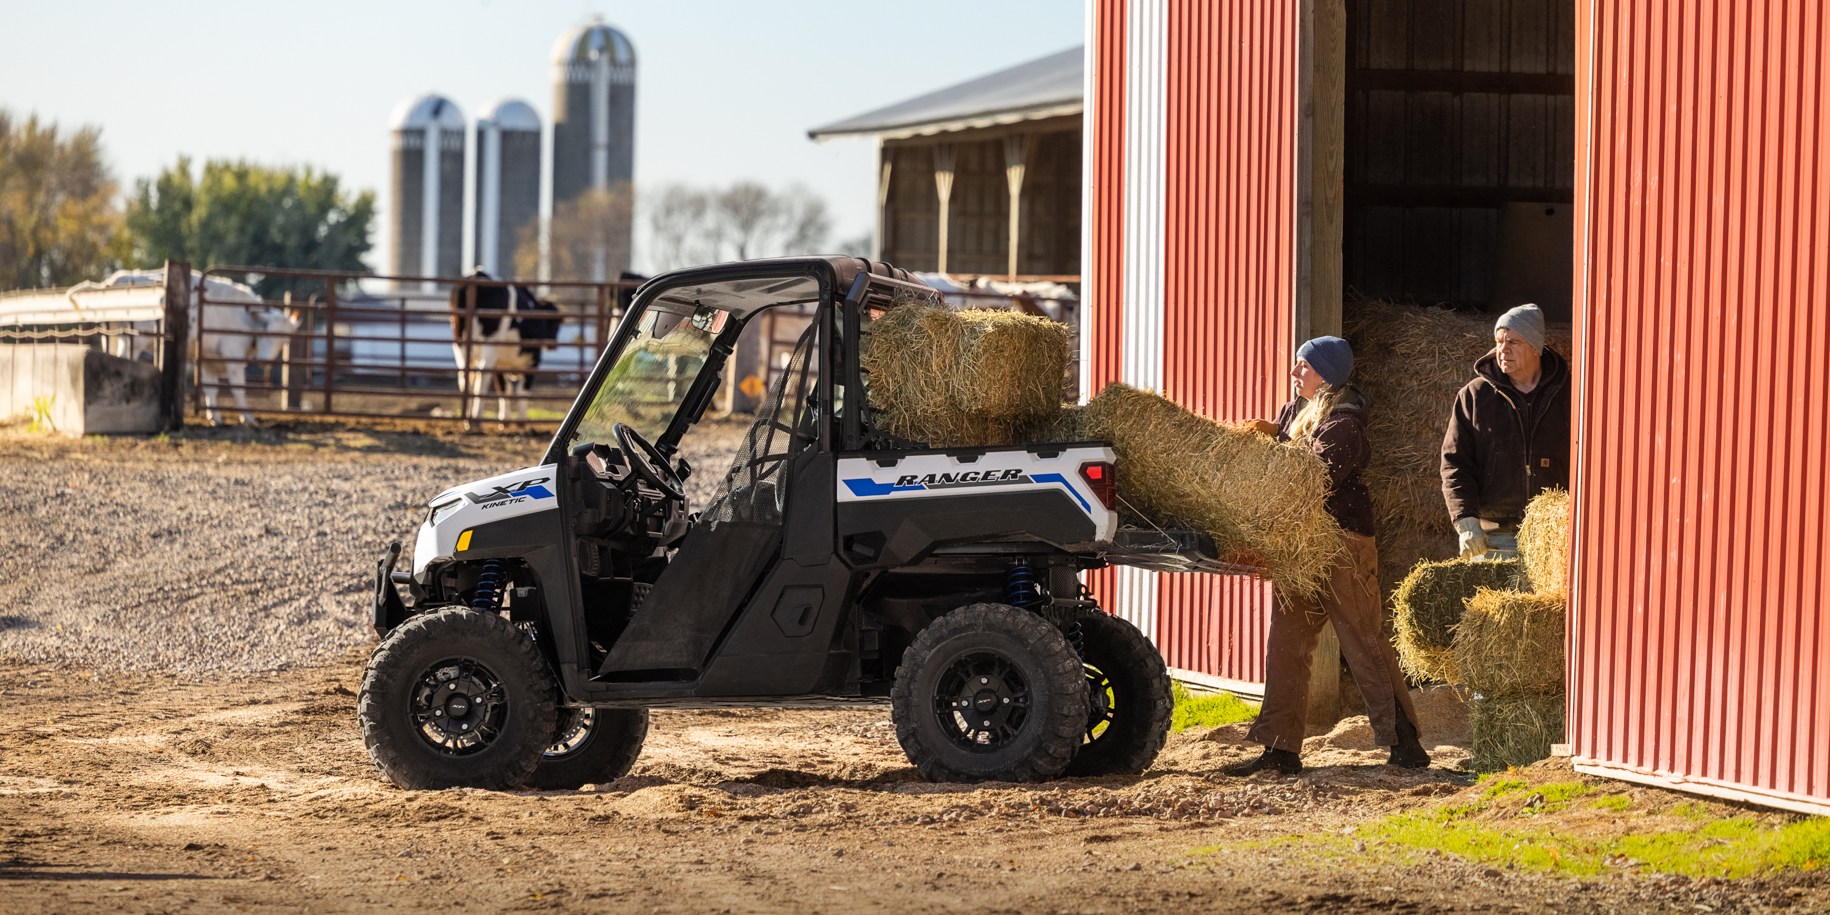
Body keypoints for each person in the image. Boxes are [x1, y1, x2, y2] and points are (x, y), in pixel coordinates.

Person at [1224, 336, 1429, 776]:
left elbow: (1311, 478)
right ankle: (1279, 748)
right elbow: (1279, 451)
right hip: (1301, 547)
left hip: (1342, 544)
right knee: (1287, 643)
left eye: (1303, 366)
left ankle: (1405, 742)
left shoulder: (1344, 423)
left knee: (1363, 640)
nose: (1295, 372)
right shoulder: (1295, 413)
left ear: (1326, 375)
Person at [1439, 303, 1572, 558]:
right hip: (1493, 538)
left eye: (1513, 341)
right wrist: (1466, 523)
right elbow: (1455, 464)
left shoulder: (1569, 395)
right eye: (1499, 341)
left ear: (1535, 347)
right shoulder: (1474, 396)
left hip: (1557, 538)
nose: (1503, 350)